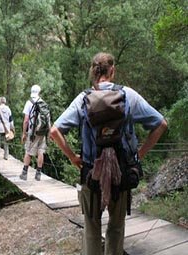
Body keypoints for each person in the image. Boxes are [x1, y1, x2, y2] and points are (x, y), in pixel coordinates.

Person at [50, 52, 167, 255]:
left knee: (91, 228)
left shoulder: (83, 99)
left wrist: (73, 157)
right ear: (112, 71)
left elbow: (54, 131)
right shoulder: (129, 95)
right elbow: (161, 124)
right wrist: (139, 155)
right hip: (121, 174)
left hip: (91, 174)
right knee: (116, 226)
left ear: (93, 72)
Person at [20, 84, 50, 181]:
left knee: (28, 151)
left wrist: (24, 133)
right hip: (42, 131)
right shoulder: (43, 103)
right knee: (40, 152)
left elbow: (26, 120)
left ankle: (24, 174)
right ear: (39, 92)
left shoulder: (29, 102)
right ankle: (38, 174)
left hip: (32, 132)